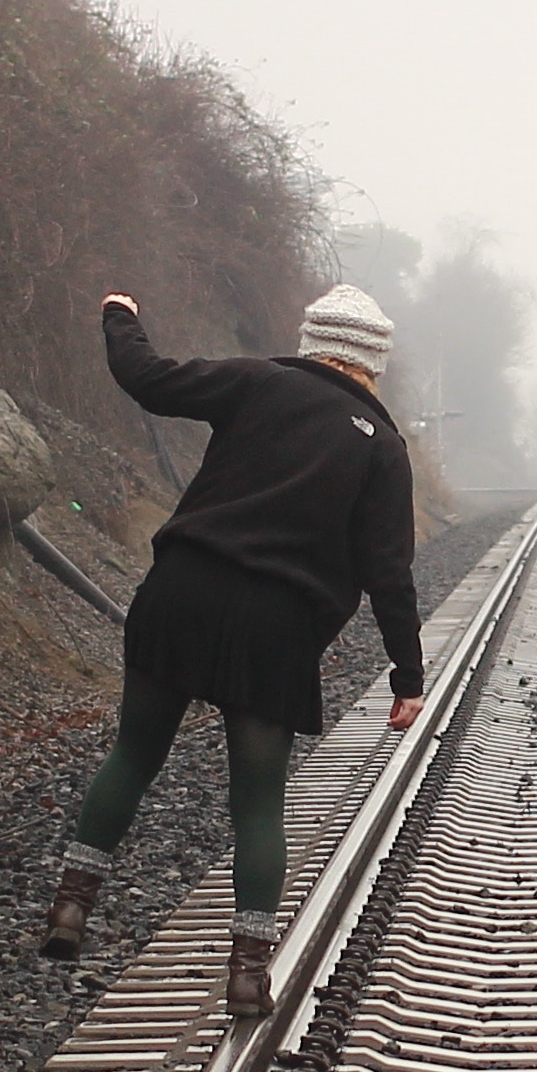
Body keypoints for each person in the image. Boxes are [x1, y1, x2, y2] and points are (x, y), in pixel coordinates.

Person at [40, 282, 425, 1014]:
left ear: (313, 341)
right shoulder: (382, 449)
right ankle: (247, 972)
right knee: (256, 803)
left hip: (182, 593)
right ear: (373, 364)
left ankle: (71, 905)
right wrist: (408, 675)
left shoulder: (256, 383)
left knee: (134, 754)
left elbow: (148, 380)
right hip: (275, 629)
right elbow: (389, 574)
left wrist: (122, 315)